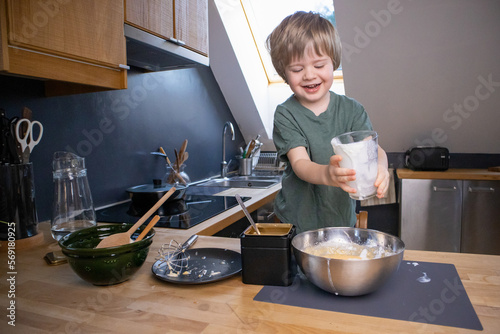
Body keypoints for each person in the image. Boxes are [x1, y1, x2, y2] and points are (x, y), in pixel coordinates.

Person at [266, 11, 390, 233]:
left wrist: (382, 167)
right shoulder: (286, 114)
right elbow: (300, 164)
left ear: (334, 63)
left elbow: (375, 150)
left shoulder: (352, 110)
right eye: (297, 69)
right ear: (283, 73)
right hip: (294, 224)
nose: (309, 75)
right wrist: (328, 174)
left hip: (341, 221)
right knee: (297, 270)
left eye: (319, 65)